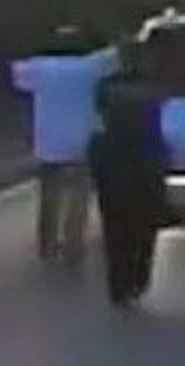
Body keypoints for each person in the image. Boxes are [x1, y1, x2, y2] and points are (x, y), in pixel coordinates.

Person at [8, 27, 114, 270]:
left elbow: (12, 71)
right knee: (78, 197)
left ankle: (47, 245)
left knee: (49, 197)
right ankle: (73, 246)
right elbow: (116, 56)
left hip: (48, 144)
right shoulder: (90, 67)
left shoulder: (38, 69)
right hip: (81, 143)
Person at [87, 37, 171, 306]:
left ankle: (118, 283)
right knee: (145, 227)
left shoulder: (106, 87)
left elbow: (99, 119)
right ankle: (138, 278)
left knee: (115, 229)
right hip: (146, 163)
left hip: (114, 163)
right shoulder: (155, 87)